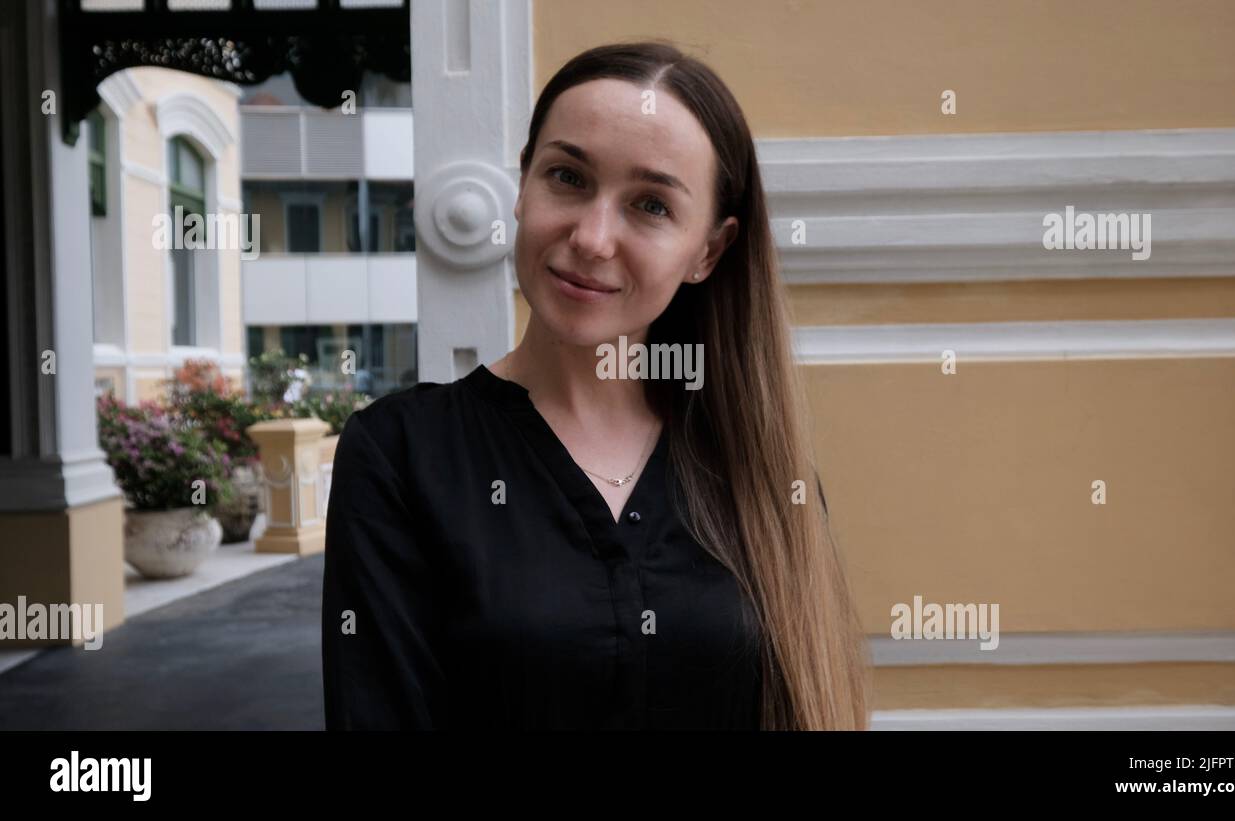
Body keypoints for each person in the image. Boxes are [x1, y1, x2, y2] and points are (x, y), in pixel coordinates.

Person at [322, 41, 871, 730]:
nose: (592, 236)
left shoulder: (761, 472)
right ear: (522, 186)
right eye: (568, 177)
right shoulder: (400, 455)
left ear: (709, 250)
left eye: (650, 204)